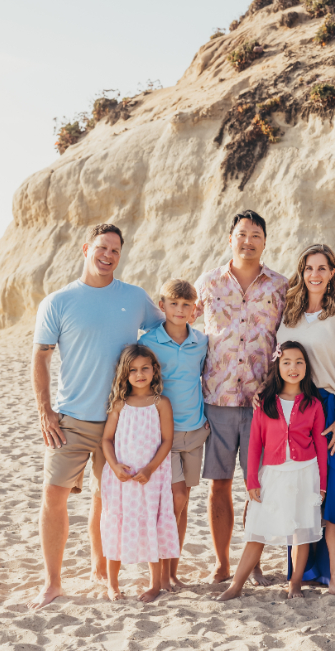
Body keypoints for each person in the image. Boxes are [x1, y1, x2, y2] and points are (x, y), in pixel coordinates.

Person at [28, 223, 164, 609]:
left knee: (107, 499)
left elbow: (167, 329)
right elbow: (40, 357)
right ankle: (52, 582)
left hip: (119, 422)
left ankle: (100, 569)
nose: (108, 256)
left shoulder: (135, 298)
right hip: (70, 419)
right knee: (53, 495)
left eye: (115, 251)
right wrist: (45, 411)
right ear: (86, 248)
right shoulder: (58, 301)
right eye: (102, 248)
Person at [195, 210, 288, 585]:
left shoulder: (280, 286)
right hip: (216, 399)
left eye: (255, 235)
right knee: (219, 483)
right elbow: (182, 321)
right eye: (241, 234)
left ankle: (254, 563)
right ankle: (221, 562)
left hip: (260, 402)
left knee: (257, 485)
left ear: (265, 242)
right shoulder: (208, 282)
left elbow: (289, 338)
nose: (247, 240)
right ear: (229, 238)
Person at [277, 244, 335, 605]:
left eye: (322, 268)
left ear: (332, 274)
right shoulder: (289, 315)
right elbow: (278, 362)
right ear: (302, 272)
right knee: (301, 493)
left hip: (330, 412)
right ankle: (299, 575)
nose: (315, 274)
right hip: (295, 413)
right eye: (309, 268)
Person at [217, 342, 328, 601]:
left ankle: (295, 585)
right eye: (286, 362)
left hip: (305, 473)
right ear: (278, 366)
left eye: (299, 362)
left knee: (301, 533)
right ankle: (235, 586)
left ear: (306, 367)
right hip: (273, 475)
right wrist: (251, 479)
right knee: (258, 530)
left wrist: (322, 483)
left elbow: (320, 445)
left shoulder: (313, 403)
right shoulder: (265, 402)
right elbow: (254, 444)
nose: (293, 367)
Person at [138, 279, 209, 591]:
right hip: (163, 434)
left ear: (194, 309)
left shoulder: (202, 342)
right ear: (162, 305)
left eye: (186, 305)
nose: (179, 310)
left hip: (195, 431)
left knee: (183, 503)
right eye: (173, 304)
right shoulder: (149, 342)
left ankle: (172, 573)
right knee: (171, 501)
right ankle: (160, 575)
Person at [100, 344, 179, 603]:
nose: (139, 374)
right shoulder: (120, 404)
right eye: (133, 370)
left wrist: (149, 469)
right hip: (121, 479)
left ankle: (155, 583)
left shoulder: (161, 403)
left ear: (154, 371)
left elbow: (167, 441)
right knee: (117, 523)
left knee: (151, 524)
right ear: (125, 374)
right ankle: (113, 584)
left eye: (145, 368)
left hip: (151, 477)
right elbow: (107, 440)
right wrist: (114, 465)